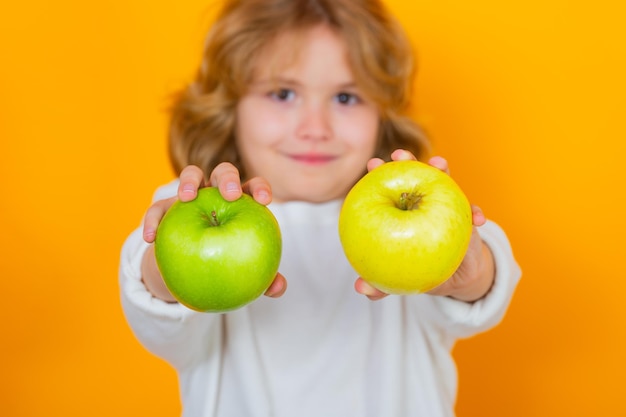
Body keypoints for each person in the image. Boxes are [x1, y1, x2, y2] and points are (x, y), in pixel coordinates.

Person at [119, 0, 522, 416]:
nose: (315, 128)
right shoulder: (193, 208)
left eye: (346, 97)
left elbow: (481, 299)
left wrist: (468, 269)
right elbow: (156, 318)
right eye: (283, 93)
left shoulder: (410, 229)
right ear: (229, 109)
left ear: (382, 116)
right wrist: (165, 266)